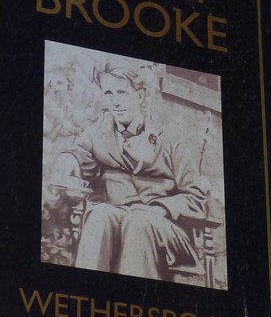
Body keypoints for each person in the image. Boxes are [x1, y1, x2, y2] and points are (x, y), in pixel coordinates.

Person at [42, 57, 208, 282]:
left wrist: (161, 209)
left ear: (139, 96)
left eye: (122, 92)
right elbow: (79, 157)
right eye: (109, 93)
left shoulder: (170, 141)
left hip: (164, 229)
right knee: (99, 215)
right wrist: (67, 160)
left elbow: (197, 197)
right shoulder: (97, 134)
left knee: (138, 223)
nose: (115, 102)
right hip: (116, 220)